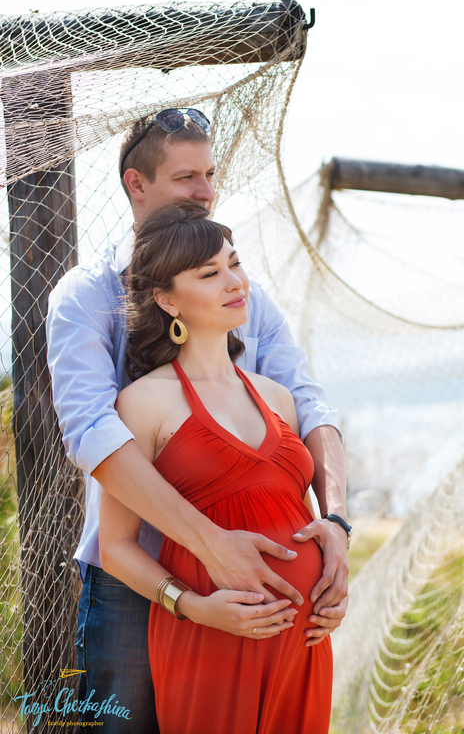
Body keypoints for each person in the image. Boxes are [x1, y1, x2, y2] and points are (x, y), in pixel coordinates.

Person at [46, 109, 350, 731]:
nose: (205, 191)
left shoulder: (246, 297)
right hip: (136, 580)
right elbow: (93, 432)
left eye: (210, 175)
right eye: (187, 177)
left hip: (268, 597)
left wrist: (338, 524)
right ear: (136, 184)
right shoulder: (85, 294)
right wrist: (209, 546)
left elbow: (308, 405)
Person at [99, 203, 334, 733]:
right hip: (210, 638)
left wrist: (329, 583)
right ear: (166, 299)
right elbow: (115, 548)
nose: (235, 282)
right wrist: (194, 608)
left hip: (304, 641)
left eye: (235, 263)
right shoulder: (143, 403)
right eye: (209, 274)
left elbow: (298, 519)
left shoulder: (278, 398)